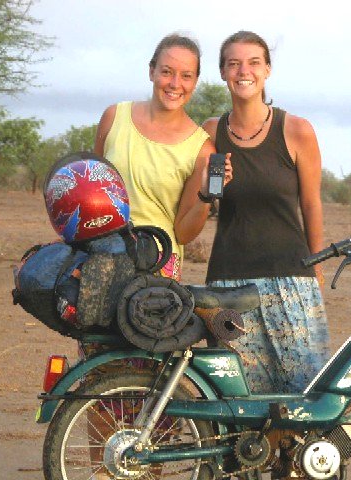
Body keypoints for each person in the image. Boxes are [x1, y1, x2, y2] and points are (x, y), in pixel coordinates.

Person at [203, 31, 330, 394]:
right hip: (228, 284)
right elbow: (201, 196)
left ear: (267, 71)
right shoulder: (210, 132)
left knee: (304, 394)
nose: (244, 71)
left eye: (254, 62)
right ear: (223, 72)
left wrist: (316, 267)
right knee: (239, 398)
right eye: (234, 63)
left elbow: (311, 203)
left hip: (290, 280)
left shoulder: (296, 130)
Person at [94, 33, 231, 281]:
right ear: (151, 71)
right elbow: (90, 191)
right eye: (167, 71)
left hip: (155, 272)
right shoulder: (114, 118)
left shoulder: (201, 148)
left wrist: (205, 196)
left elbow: (183, 234)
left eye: (186, 76)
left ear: (195, 81)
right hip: (100, 260)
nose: (175, 83)